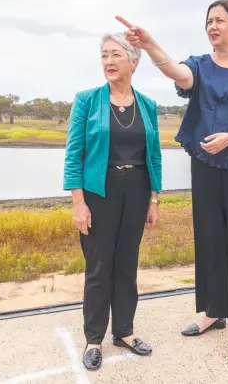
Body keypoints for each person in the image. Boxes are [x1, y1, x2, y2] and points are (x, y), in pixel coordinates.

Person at [116, 0, 228, 368]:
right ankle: (213, 312)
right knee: (210, 240)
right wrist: (149, 44)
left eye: (219, 20)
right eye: (208, 21)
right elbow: (179, 74)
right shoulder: (202, 66)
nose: (212, 26)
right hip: (206, 165)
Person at [63, 32, 162, 371]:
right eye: (104, 55)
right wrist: (79, 202)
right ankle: (94, 339)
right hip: (99, 192)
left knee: (126, 264)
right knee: (99, 266)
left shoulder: (148, 105)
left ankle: (125, 331)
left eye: (116, 55)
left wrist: (154, 198)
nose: (108, 62)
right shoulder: (87, 100)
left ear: (134, 62)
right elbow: (74, 154)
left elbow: (154, 155)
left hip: (136, 190)